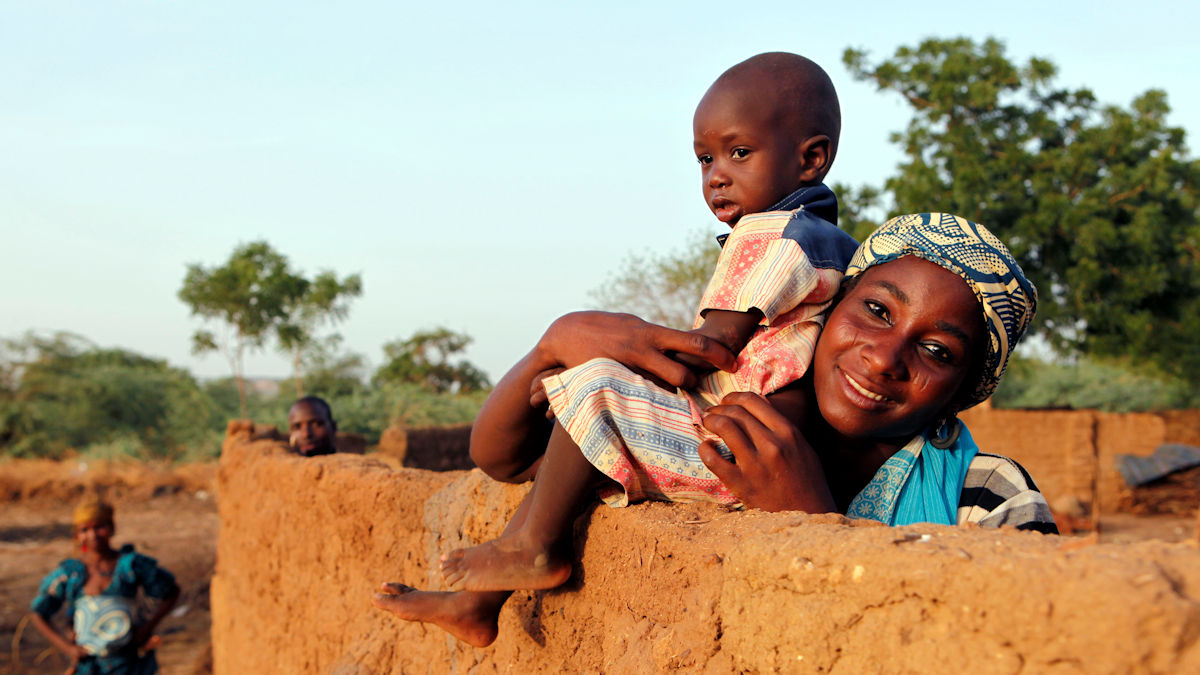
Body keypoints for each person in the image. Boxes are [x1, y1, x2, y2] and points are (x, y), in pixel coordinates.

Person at [373, 213, 1055, 646]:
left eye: (938, 351)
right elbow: (509, 456)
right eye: (876, 309)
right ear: (830, 307)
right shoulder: (724, 417)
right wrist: (552, 347)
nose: (885, 355)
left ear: (964, 392)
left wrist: (807, 518)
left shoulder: (989, 496)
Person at [29, 497, 180, 674]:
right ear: (77, 535)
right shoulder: (70, 574)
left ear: (112, 528)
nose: (92, 535)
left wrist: (146, 629)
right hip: (89, 665)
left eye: (99, 527)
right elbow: (38, 613)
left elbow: (171, 591)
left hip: (127, 663)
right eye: (84, 530)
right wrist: (68, 648)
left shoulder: (130, 565)